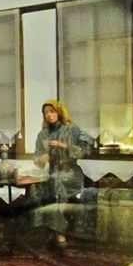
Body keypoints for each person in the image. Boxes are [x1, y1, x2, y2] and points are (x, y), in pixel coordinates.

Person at [31, 99, 91, 248]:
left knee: (57, 187)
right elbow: (36, 157)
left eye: (52, 111)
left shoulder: (72, 129)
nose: (49, 115)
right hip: (52, 172)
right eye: (46, 112)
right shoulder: (43, 134)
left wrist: (64, 146)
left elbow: (85, 151)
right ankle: (42, 229)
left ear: (59, 112)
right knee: (34, 188)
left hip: (70, 172)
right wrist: (41, 159)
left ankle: (60, 233)